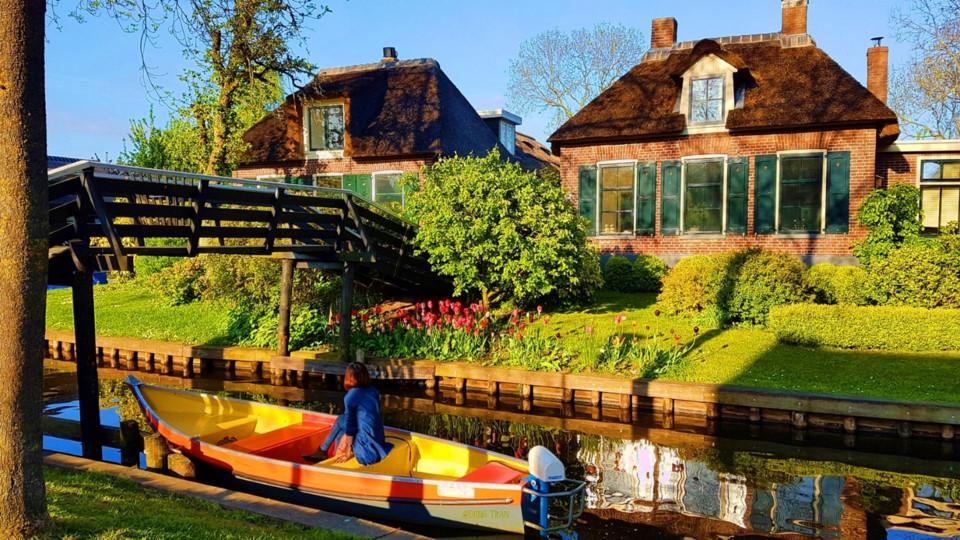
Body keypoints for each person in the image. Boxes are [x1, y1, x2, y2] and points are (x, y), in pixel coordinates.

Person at [303, 362, 393, 465]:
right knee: (342, 422)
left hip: (363, 445)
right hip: (377, 436)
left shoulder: (351, 396)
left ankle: (324, 451)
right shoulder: (374, 391)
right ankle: (328, 452)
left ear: (348, 378)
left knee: (341, 421)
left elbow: (351, 427)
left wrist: (348, 451)